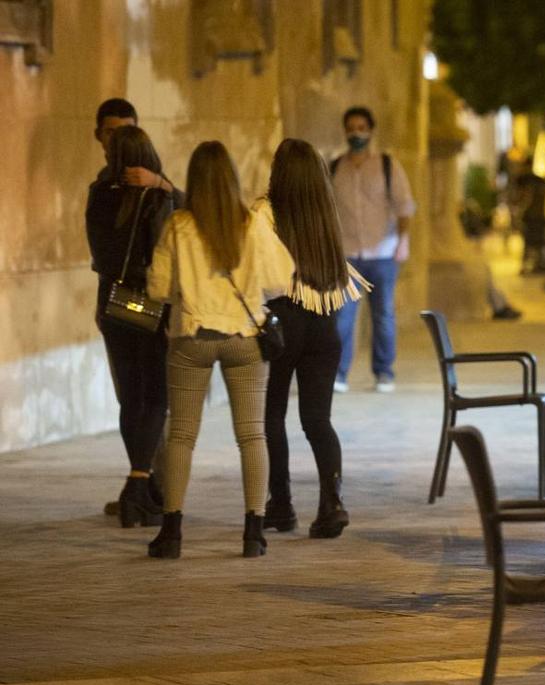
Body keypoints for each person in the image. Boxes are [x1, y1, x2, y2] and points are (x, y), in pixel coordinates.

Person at [144, 141, 295, 559]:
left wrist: (187, 287)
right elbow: (282, 279)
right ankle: (253, 532)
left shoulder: (178, 226)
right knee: (252, 435)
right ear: (231, 178)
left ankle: (172, 531)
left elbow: (158, 288)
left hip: (192, 338)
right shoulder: (252, 224)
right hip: (245, 339)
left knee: (182, 435)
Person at [257, 139, 370, 539]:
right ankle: (332, 503)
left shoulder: (265, 212)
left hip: (282, 321)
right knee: (318, 420)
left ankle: (281, 504)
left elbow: (263, 275)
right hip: (326, 325)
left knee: (272, 416)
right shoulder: (326, 215)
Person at [93, 99, 183, 521]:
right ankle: (139, 485)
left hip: (112, 304)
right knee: (156, 399)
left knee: (131, 400)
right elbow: (197, 215)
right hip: (147, 306)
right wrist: (162, 185)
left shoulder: (99, 191)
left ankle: (141, 487)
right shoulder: (154, 198)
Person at [330, 106, 416, 394]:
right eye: (351, 127)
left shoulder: (387, 166)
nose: (356, 132)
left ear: (370, 130)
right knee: (342, 317)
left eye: (361, 127)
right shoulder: (334, 168)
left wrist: (403, 240)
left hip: (383, 254)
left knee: (384, 316)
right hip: (347, 255)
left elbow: (404, 206)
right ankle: (339, 373)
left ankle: (384, 372)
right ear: (345, 131)